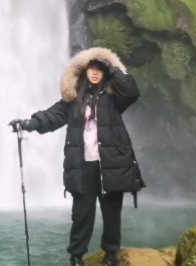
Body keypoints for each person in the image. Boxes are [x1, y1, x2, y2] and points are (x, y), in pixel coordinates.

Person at [10, 47, 142, 266]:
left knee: (111, 213)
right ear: (83, 71)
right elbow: (51, 117)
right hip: (82, 166)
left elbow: (132, 91)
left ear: (106, 73)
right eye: (92, 68)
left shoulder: (114, 98)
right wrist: (27, 124)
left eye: (100, 69)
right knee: (81, 215)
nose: (95, 73)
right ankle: (76, 256)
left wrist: (113, 68)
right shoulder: (73, 101)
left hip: (110, 165)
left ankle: (111, 254)